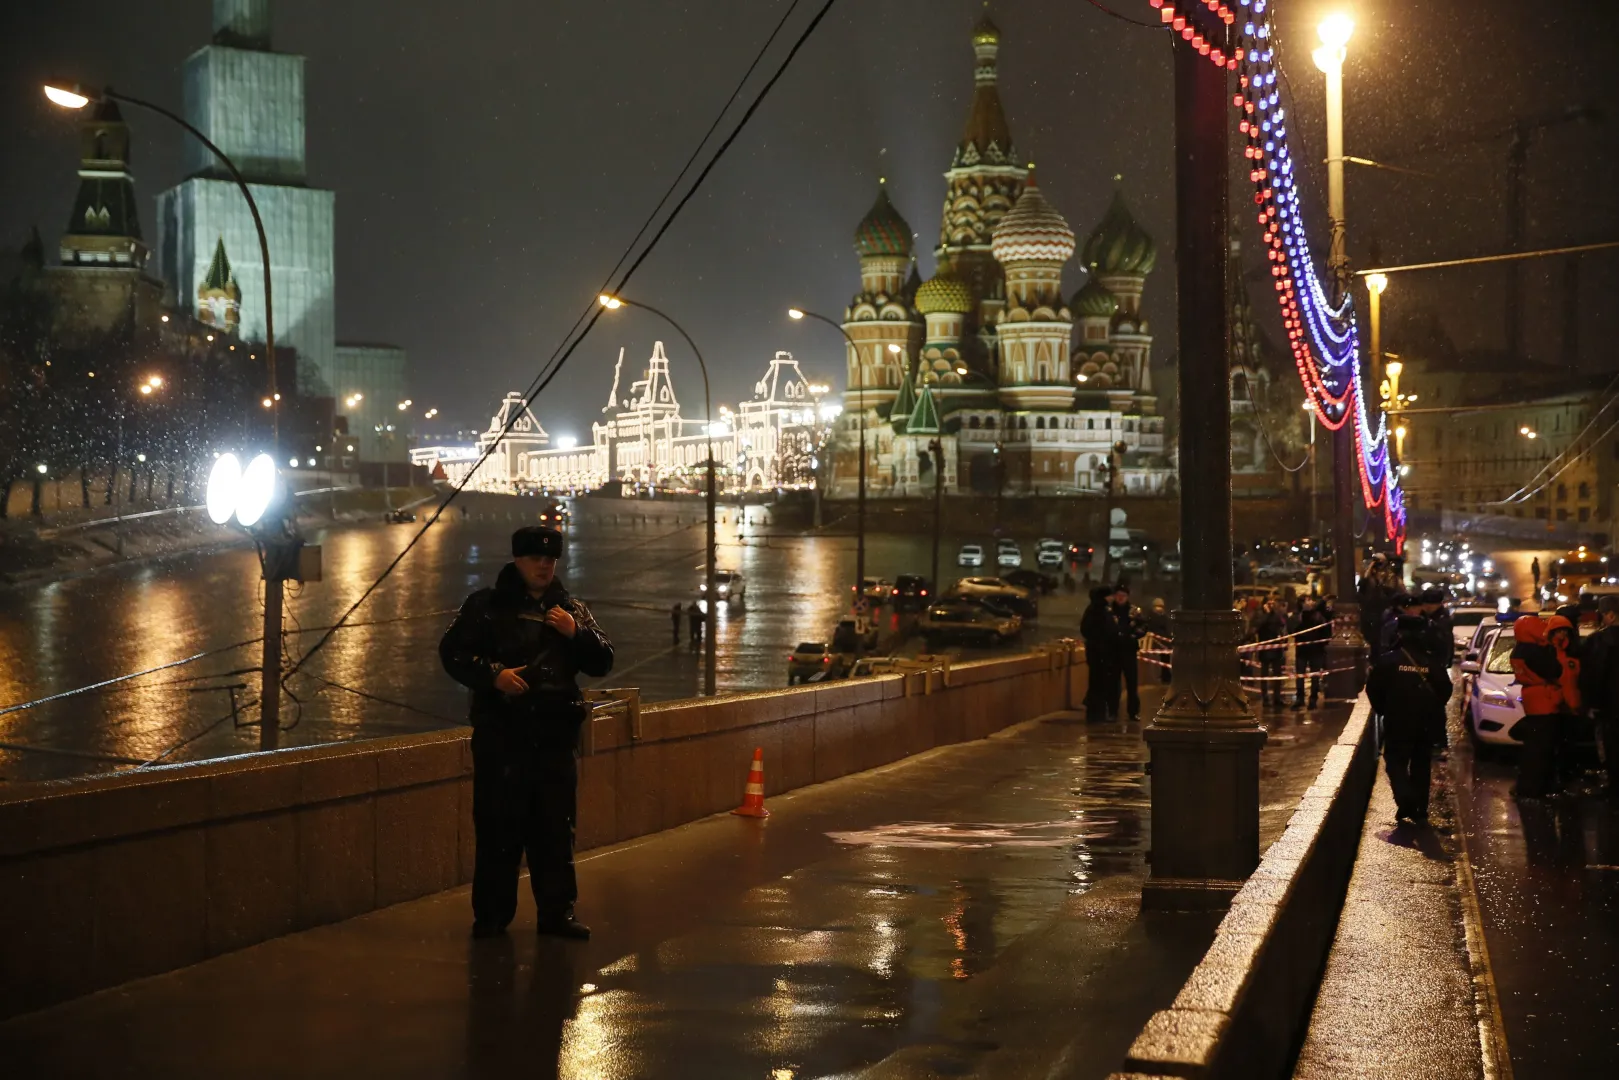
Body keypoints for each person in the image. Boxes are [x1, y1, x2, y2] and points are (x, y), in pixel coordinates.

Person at [439, 525, 614, 940]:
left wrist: (576, 633)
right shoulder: (485, 606)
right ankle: (491, 919)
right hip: (503, 738)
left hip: (555, 738)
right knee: (499, 831)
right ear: (517, 560)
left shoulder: (571, 609)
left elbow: (603, 659)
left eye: (550, 560)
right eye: (536, 558)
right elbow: (453, 653)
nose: (544, 566)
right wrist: (494, 676)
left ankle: (557, 914)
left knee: (555, 830)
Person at [1366, 613, 1453, 823]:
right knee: (1421, 765)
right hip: (1425, 723)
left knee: (1395, 762)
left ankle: (1405, 800)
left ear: (1399, 634)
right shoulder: (1431, 661)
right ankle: (1420, 809)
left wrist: (1384, 710)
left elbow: (1373, 689)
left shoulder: (1388, 660)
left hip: (1398, 721)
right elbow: (1445, 689)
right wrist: (1431, 708)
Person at [1510, 615, 1566, 799]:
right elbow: (1554, 670)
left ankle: (1528, 785)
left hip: (1533, 697)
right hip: (1544, 699)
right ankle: (1534, 788)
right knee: (1541, 747)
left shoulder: (1519, 650)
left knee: (1534, 745)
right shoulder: (1535, 651)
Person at [1578, 595, 1619, 793]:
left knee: (1611, 745)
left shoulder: (1599, 641)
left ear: (1610, 615)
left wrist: (1590, 703)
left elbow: (1592, 675)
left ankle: (1613, 784)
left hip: (1609, 705)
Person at [1081, 586, 1117, 721]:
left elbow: (1084, 629)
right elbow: (1108, 630)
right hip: (1101, 653)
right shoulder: (1100, 611)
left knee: (1097, 682)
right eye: (1110, 595)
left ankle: (1095, 713)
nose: (1112, 598)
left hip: (1097, 652)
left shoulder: (1094, 609)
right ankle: (1097, 713)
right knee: (1100, 683)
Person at [1289, 594, 1331, 709]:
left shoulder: (1318, 615)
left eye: (1310, 600)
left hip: (1316, 650)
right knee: (1300, 675)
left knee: (1315, 676)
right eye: (1306, 600)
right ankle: (1300, 698)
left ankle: (1313, 699)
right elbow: (1293, 629)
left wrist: (1323, 644)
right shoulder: (1297, 616)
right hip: (1301, 651)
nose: (1309, 602)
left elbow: (1324, 629)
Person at [1110, 584, 1143, 720]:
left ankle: (1133, 712)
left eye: (1123, 596)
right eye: (1118, 595)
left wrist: (1134, 636)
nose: (1120, 598)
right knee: (1113, 682)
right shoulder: (1110, 610)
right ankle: (1113, 711)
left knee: (1132, 683)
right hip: (1113, 650)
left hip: (1129, 651)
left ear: (1127, 597)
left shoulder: (1134, 611)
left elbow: (1143, 627)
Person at [1253, 598, 1287, 708]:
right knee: (1265, 675)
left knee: (1277, 675)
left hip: (1277, 649)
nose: (1272, 605)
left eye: (1273, 602)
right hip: (1265, 649)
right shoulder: (1260, 615)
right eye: (1269, 603)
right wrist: (1267, 613)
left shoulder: (1277, 615)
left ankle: (1277, 698)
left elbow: (1282, 625)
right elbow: (1258, 626)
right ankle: (1265, 698)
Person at [1144, 598, 1172, 685]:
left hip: (1162, 642)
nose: (1159, 608)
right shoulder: (1156, 617)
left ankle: (1165, 676)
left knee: (1164, 660)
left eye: (1160, 606)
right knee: (1157, 660)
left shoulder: (1161, 617)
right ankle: (1162, 677)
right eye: (1157, 606)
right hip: (1156, 642)